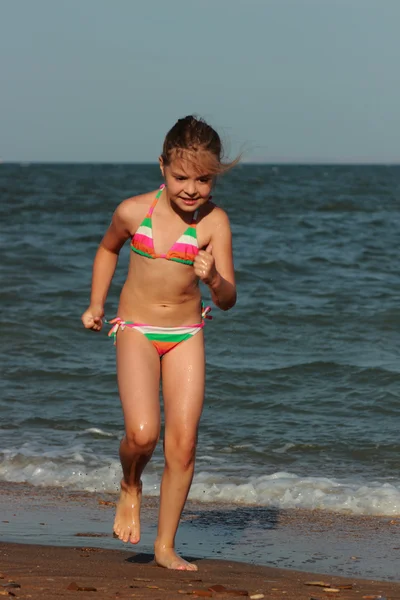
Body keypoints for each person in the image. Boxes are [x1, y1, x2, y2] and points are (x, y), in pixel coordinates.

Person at [81, 115, 238, 571]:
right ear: (162, 167)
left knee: (183, 445)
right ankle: (131, 483)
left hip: (186, 335)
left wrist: (214, 279)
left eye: (204, 179)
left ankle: (165, 546)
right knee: (142, 434)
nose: (192, 188)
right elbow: (108, 248)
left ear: (215, 175)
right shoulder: (134, 211)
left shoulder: (215, 223)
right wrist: (96, 304)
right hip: (136, 330)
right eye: (181, 176)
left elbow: (228, 299)